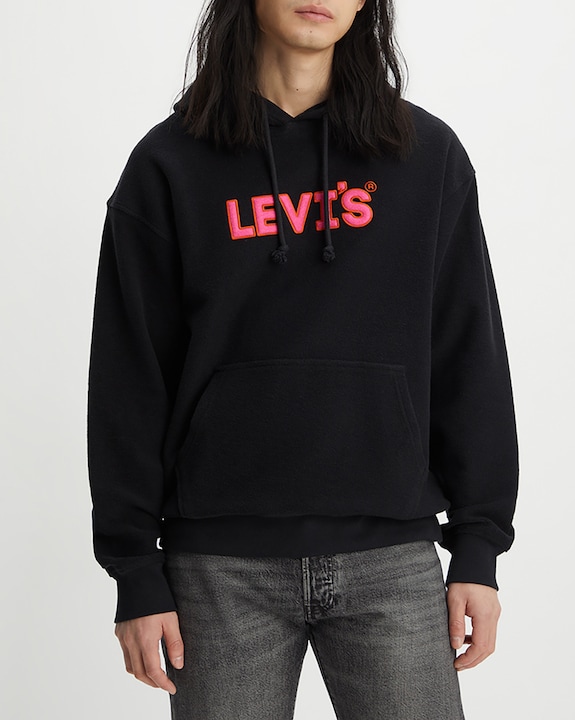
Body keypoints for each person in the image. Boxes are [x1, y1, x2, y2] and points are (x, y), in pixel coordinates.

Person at [87, 1, 519, 718]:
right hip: (219, 572)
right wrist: (134, 567)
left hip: (392, 563)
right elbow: (128, 378)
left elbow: (468, 349)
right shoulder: (168, 163)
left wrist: (479, 544)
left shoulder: (426, 155)